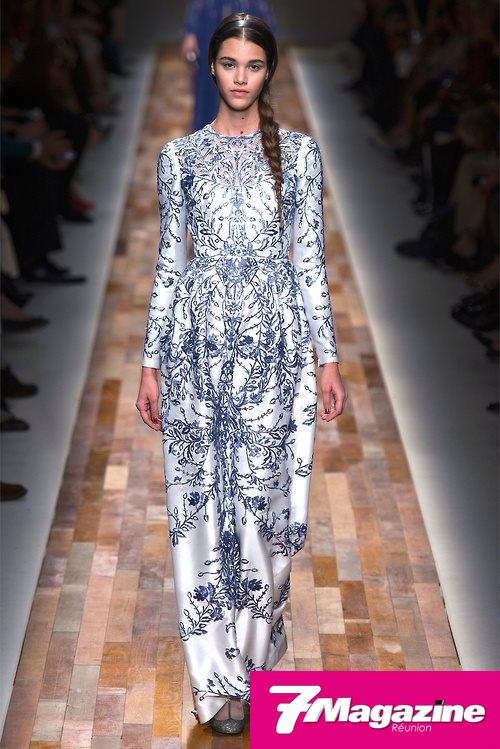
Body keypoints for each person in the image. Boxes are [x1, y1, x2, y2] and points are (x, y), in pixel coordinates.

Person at [136, 13, 346, 735]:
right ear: (212, 67)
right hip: (196, 353)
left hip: (272, 352)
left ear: (269, 71)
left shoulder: (301, 155)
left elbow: (310, 262)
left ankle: (254, 659)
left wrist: (327, 358)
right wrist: (151, 362)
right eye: (229, 64)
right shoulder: (179, 158)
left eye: (253, 66)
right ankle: (218, 682)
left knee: (264, 518)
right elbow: (170, 264)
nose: (239, 77)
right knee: (199, 513)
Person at [181, 0, 276, 132]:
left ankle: (253, 131)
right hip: (210, 22)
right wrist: (191, 33)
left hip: (248, 12)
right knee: (208, 86)